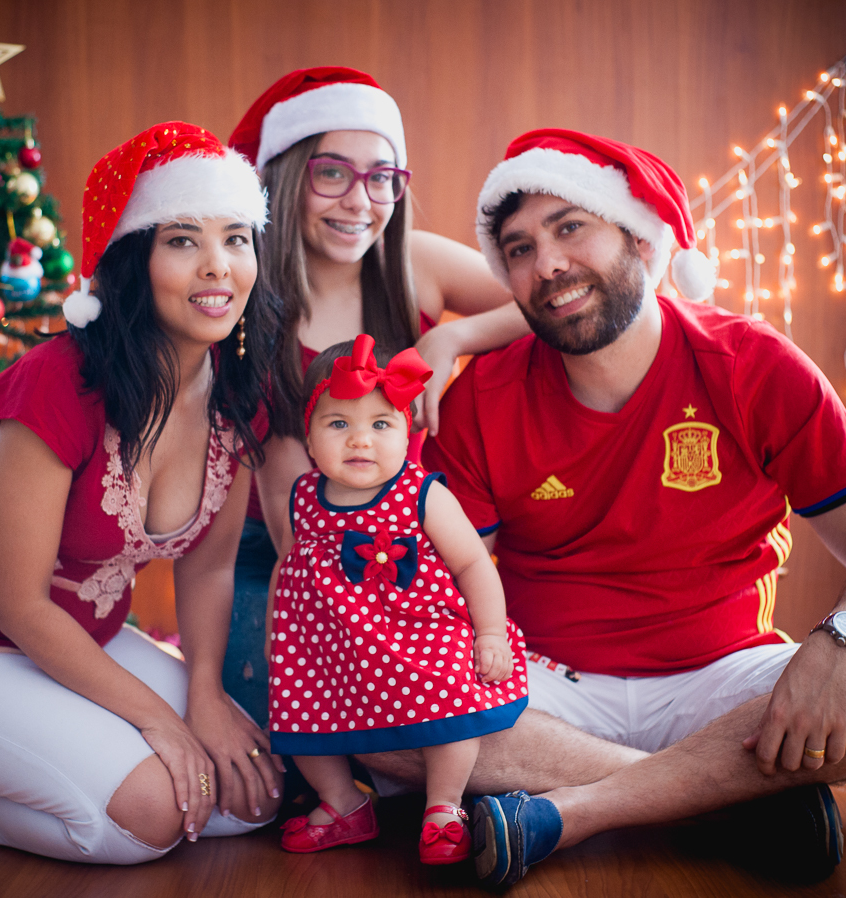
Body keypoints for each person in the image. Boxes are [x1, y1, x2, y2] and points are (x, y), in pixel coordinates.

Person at [407, 129, 846, 889]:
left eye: (570, 227)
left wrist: (836, 645)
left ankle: (574, 811)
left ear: (641, 241)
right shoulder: (481, 400)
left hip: (722, 681)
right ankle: (720, 801)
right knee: (382, 704)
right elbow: (443, 602)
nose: (546, 264)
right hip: (543, 686)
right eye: (518, 249)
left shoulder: (755, 367)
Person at [0, 122, 287, 864]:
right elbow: (15, 602)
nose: (219, 268)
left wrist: (205, 697)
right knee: (152, 814)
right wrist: (163, 721)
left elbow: (208, 567)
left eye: (236, 238)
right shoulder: (59, 380)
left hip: (80, 640)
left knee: (251, 796)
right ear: (132, 260)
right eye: (182, 240)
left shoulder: (240, 389)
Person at [222, 66, 531, 727]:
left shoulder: (415, 265)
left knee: (456, 716)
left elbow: (550, 300)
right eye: (332, 173)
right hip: (287, 560)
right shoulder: (247, 292)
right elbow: (286, 513)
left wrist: (456, 340)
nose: (361, 200)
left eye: (382, 177)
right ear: (286, 175)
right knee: (282, 760)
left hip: (411, 547)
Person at [268, 335, 528, 864]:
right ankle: (342, 803)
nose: (359, 440)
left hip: (420, 634)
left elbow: (473, 562)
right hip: (332, 645)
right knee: (293, 713)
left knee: (454, 690)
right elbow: (287, 565)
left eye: (379, 424)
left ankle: (443, 808)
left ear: (407, 430)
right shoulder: (303, 496)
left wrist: (490, 634)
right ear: (310, 438)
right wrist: (278, 635)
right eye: (339, 424)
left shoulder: (421, 493)